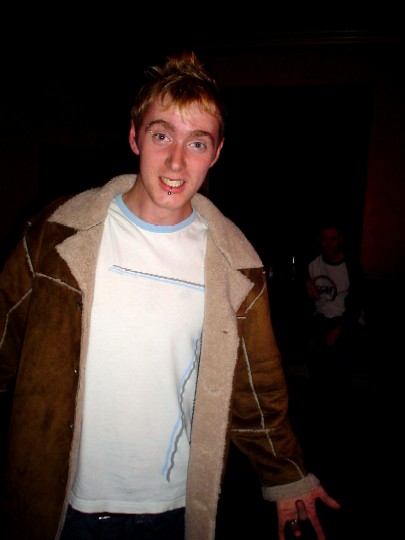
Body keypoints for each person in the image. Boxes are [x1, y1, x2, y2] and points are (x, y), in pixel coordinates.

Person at [0, 51, 340, 540]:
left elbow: (256, 385)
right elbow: (2, 338)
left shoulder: (235, 265)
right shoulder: (56, 235)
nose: (177, 161)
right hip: (58, 504)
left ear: (216, 153)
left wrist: (286, 474)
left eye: (197, 142)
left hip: (171, 510)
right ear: (135, 137)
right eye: (162, 135)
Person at [303, 220, 365, 414]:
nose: (328, 244)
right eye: (324, 239)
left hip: (346, 319)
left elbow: (355, 305)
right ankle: (319, 401)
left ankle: (339, 403)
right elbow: (301, 276)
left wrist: (339, 329)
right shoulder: (313, 263)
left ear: (340, 240)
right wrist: (306, 283)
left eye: (333, 239)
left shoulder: (351, 266)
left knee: (341, 352)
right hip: (322, 316)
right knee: (314, 347)